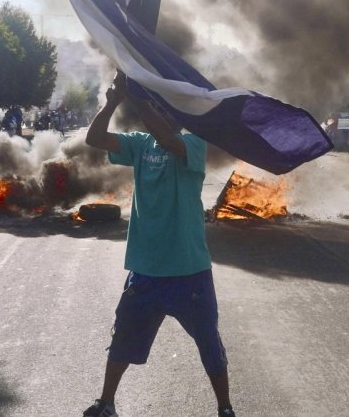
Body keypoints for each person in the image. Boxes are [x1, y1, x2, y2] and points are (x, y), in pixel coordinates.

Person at [82, 71, 235, 417]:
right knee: (123, 337)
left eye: (168, 109)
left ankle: (225, 408)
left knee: (209, 343)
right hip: (146, 269)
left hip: (189, 270)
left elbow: (168, 140)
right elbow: (95, 138)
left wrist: (139, 97)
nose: (164, 114)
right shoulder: (139, 144)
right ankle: (106, 403)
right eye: (160, 108)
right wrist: (112, 103)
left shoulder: (194, 145)